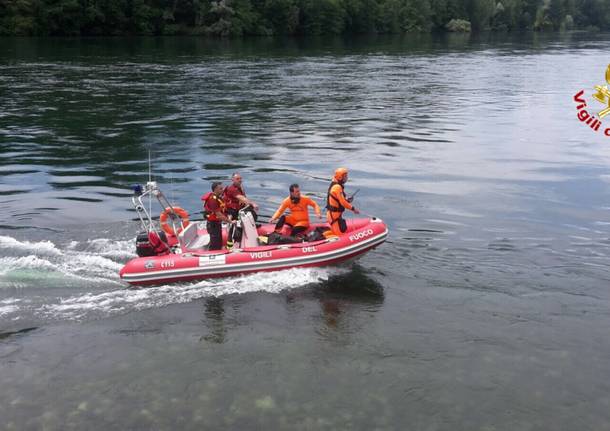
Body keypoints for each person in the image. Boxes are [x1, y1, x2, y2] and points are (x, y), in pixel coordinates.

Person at [223, 172, 258, 248]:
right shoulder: (232, 189)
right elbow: (241, 198)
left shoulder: (240, 187)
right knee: (232, 229)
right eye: (237, 179)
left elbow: (244, 197)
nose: (240, 180)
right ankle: (230, 247)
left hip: (238, 210)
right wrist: (252, 204)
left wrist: (248, 205)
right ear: (232, 180)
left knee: (252, 215)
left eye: (240, 178)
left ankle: (240, 242)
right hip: (231, 211)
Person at [326, 167, 360, 236]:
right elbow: (343, 203)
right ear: (340, 177)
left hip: (335, 215)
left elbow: (340, 200)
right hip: (334, 216)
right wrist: (353, 209)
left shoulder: (337, 185)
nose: (347, 178)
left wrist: (347, 200)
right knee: (340, 236)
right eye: (345, 176)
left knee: (338, 232)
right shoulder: (337, 187)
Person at [202, 182, 233, 250]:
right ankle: (212, 256)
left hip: (217, 224)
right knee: (215, 244)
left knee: (219, 242)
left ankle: (219, 251)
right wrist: (230, 221)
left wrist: (229, 214)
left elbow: (223, 209)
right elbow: (219, 215)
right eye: (220, 189)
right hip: (213, 225)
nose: (222, 190)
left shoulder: (218, 198)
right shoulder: (212, 200)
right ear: (215, 189)